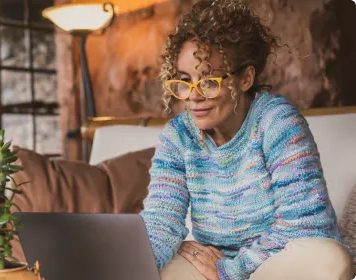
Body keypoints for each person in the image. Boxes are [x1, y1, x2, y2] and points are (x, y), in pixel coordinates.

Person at [140, 0, 354, 279]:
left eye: (208, 81)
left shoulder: (277, 122)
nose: (193, 96)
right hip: (212, 266)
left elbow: (307, 225)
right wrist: (132, 264)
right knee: (159, 265)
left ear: (245, 79)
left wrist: (231, 270)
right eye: (184, 80)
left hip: (273, 262)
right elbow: (160, 222)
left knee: (329, 259)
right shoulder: (178, 137)